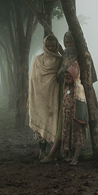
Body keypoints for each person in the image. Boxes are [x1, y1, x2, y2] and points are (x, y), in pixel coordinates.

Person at [27, 33, 63, 161]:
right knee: (41, 122)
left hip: (53, 97)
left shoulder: (60, 60)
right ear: (44, 46)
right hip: (38, 98)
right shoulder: (37, 59)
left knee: (53, 123)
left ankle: (55, 152)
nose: (51, 48)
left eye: (53, 46)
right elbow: (33, 79)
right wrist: (32, 96)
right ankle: (41, 151)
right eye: (48, 45)